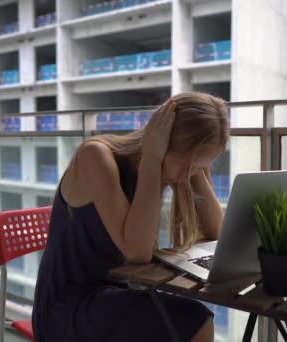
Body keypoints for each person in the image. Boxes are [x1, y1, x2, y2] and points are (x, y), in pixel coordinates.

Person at [32, 92, 230, 342]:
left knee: (189, 319)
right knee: (195, 322)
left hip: (113, 294)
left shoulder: (171, 169)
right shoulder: (95, 155)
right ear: (163, 142)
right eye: (187, 163)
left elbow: (217, 232)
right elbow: (137, 252)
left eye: (199, 166)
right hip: (67, 308)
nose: (186, 175)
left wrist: (194, 169)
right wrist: (152, 158)